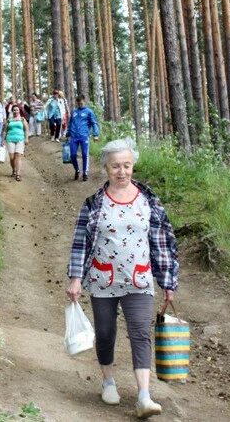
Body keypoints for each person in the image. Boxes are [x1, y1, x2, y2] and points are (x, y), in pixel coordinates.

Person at [65, 138, 178, 419]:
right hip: (103, 281)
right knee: (105, 334)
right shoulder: (93, 204)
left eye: (127, 165)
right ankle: (108, 381)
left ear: (133, 165)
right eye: (116, 166)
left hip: (139, 281)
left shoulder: (149, 200)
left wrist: (167, 281)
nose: (122, 171)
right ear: (106, 167)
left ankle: (143, 395)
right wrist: (76, 278)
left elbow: (161, 241)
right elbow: (79, 243)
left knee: (140, 333)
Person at [66, 95, 100, 181]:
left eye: (81, 103)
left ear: (84, 102)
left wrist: (96, 134)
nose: (80, 104)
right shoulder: (74, 112)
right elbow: (70, 124)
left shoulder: (89, 112)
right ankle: (77, 170)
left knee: (85, 154)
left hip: (84, 136)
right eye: (78, 103)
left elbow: (94, 123)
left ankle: (85, 173)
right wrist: (68, 133)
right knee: (73, 155)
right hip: (74, 137)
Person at [1, 105, 29, 181]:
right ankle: (14, 169)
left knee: (18, 156)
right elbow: (4, 131)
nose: (16, 111)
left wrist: (26, 138)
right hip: (10, 139)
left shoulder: (22, 119)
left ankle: (18, 174)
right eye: (14, 110)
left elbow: (26, 129)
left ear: (19, 111)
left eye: (17, 110)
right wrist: (3, 140)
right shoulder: (9, 120)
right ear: (12, 111)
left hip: (20, 139)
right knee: (12, 157)